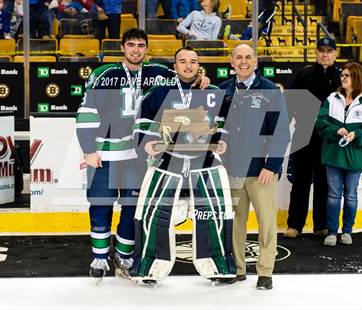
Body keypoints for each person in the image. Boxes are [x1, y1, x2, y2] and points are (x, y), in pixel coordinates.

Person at [76, 28, 210, 282]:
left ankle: (124, 255)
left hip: (137, 156)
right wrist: (89, 150)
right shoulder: (103, 75)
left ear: (147, 49)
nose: (136, 50)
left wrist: (202, 76)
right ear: (123, 48)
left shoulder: (159, 74)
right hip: (105, 153)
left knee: (132, 206)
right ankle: (100, 256)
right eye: (131, 45)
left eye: (140, 45)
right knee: (100, 203)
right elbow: (86, 113)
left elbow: (186, 73)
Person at [130, 46, 236, 284]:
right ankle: (151, 266)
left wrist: (222, 142)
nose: (188, 66)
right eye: (183, 61)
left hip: (204, 161)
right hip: (167, 160)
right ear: (175, 66)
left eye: (193, 61)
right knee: (154, 211)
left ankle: (218, 265)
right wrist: (147, 142)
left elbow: (224, 122)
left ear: (199, 65)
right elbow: (141, 123)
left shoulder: (213, 91)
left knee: (214, 210)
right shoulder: (158, 92)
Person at [219, 44, 290, 289]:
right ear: (231, 61)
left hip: (262, 172)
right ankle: (236, 269)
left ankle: (265, 272)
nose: (243, 61)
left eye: (248, 57)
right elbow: (214, 130)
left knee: (266, 222)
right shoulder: (222, 91)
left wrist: (271, 165)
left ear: (256, 61)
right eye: (239, 57)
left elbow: (280, 133)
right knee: (234, 223)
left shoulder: (271, 90)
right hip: (231, 169)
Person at [316, 62, 362, 246]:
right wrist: (336, 130)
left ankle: (347, 231)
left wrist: (356, 134)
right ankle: (332, 232)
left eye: (347, 75)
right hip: (333, 156)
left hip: (355, 158)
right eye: (342, 75)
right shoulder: (332, 98)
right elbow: (320, 122)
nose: (342, 78)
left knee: (350, 195)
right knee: (333, 194)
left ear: (356, 78)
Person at [284, 37, 341, 239]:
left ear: (336, 53)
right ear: (316, 52)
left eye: (329, 51)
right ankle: (295, 225)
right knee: (300, 181)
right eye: (321, 50)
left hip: (330, 138)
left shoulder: (342, 77)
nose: (325, 54)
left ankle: (321, 225)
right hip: (304, 134)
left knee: (325, 183)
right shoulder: (303, 74)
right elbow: (288, 103)